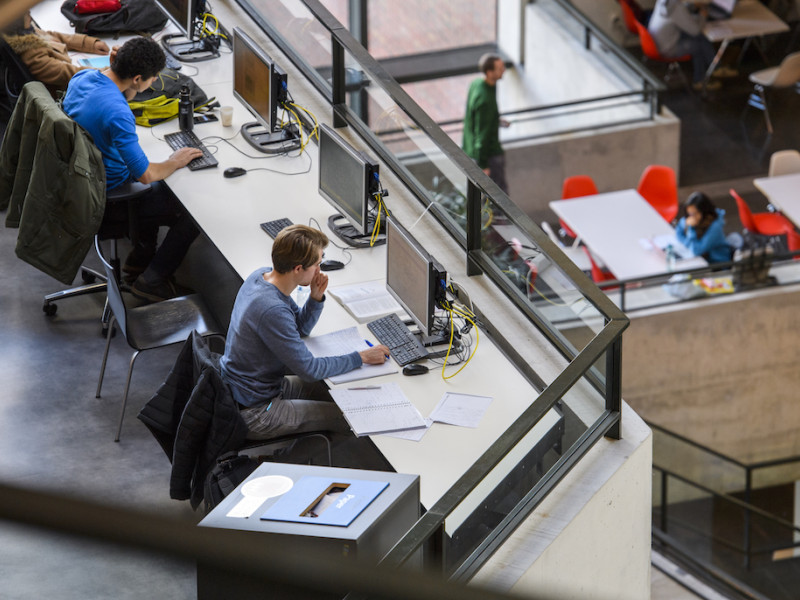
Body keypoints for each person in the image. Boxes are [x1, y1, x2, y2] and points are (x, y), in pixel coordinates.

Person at [62, 36, 203, 302]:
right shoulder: (118, 112)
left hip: (79, 184)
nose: (153, 84)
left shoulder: (82, 79)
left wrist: (127, 89)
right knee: (191, 212)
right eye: (152, 79)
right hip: (109, 200)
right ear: (137, 79)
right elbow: (145, 174)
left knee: (161, 188)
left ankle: (139, 262)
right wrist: (175, 161)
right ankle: (152, 280)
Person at [219, 224, 391, 441]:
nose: (319, 270)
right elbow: (309, 370)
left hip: (254, 389)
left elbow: (299, 328)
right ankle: (287, 461)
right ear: (298, 269)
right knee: (348, 417)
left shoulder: (261, 277)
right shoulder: (272, 309)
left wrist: (315, 298)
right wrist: (361, 357)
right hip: (256, 411)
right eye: (317, 264)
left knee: (340, 395)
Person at [2, 10, 110, 94]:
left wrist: (88, 43)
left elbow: (51, 35)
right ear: (15, 22)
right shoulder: (32, 56)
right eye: (25, 13)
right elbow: (68, 73)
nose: (30, 13)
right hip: (67, 92)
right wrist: (107, 72)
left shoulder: (23, 32)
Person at [647, 0, 736, 92]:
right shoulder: (677, 8)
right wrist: (703, 16)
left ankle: (716, 67)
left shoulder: (665, 2)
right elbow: (695, 31)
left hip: (657, 42)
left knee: (701, 38)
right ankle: (700, 81)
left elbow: (679, 15)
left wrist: (692, 6)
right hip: (668, 48)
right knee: (699, 45)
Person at [463, 53, 510, 193]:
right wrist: (483, 165)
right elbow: (481, 135)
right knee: (500, 198)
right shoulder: (485, 99)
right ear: (490, 72)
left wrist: (496, 120)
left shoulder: (478, 84)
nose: (504, 70)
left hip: (473, 150)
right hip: (489, 155)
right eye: (500, 68)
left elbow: (478, 118)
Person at [675, 191, 731, 263]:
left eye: (695, 214)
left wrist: (691, 229)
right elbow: (679, 230)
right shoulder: (694, 218)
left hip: (717, 264)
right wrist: (687, 243)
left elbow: (696, 251)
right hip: (702, 260)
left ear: (704, 211)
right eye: (690, 214)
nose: (692, 217)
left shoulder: (715, 227)